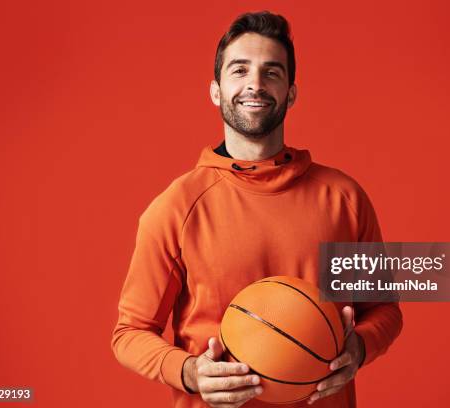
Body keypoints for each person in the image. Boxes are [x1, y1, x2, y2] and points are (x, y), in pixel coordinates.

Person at [111, 11, 403, 408]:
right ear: (215, 90)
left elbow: (385, 309)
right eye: (240, 70)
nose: (255, 84)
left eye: (271, 73)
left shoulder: (343, 198)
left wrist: (360, 349)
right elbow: (129, 333)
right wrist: (189, 372)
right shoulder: (176, 207)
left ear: (291, 93)